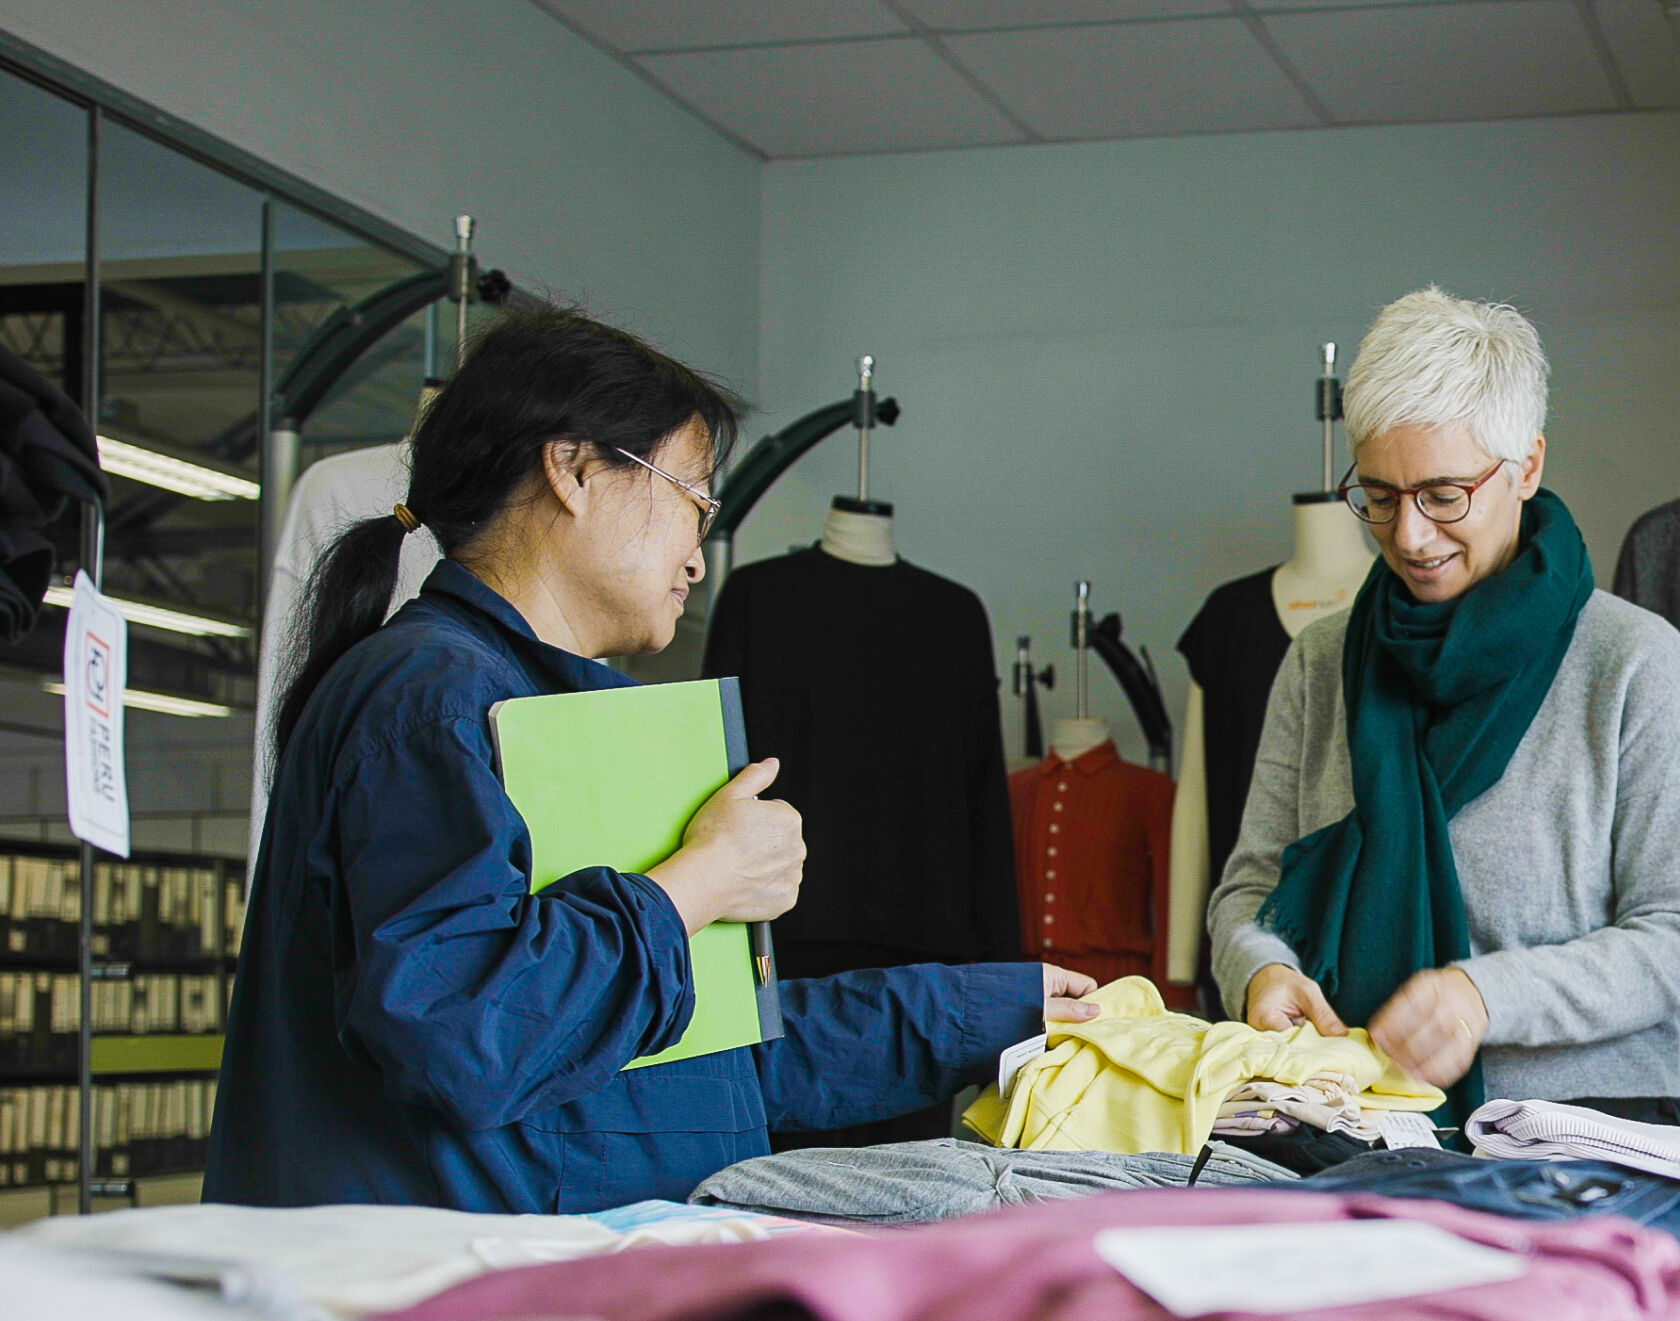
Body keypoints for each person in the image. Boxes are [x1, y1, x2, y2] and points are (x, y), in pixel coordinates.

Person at [205, 305, 1097, 1213]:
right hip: (449, 1299)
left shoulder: (564, 713)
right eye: (694, 501)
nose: (699, 559)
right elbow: (470, 1034)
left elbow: (708, 1068)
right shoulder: (431, 698)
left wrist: (995, 1013)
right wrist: (700, 882)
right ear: (576, 469)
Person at [1209, 288, 1680, 1134]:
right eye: (1380, 496)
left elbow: (1672, 938)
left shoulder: (1636, 664)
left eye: (1443, 495)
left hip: (1584, 1135)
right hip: (1346, 1119)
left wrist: (1483, 997)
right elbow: (1249, 890)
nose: (1410, 536)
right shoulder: (1322, 663)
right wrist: (1256, 971)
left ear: (1527, 467)